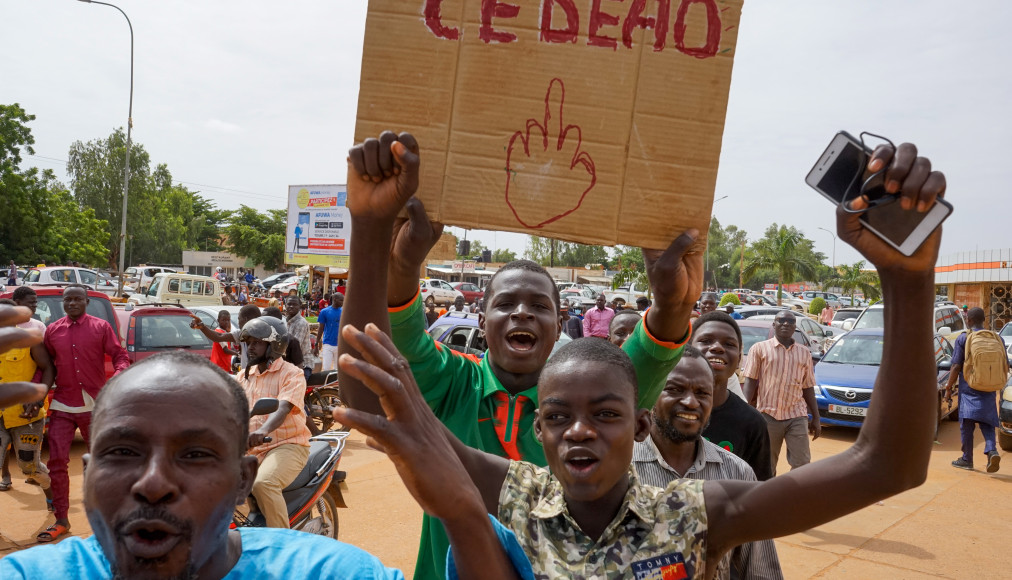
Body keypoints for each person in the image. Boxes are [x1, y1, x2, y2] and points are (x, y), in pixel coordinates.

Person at [337, 137, 950, 577]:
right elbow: (372, 396)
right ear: (539, 431)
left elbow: (888, 467)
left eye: (604, 414)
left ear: (641, 425)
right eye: (557, 417)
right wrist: (369, 229)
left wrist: (907, 280)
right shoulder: (516, 496)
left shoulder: (696, 512)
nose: (579, 430)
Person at [339, 130, 700, 580]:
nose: (522, 314)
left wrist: (674, 303)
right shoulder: (452, 380)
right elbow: (386, 341)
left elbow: (651, 349)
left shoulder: (591, 396)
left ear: (559, 320)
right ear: (481, 318)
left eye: (539, 306)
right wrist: (397, 261)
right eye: (505, 305)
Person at [0, 351, 529, 580]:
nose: (155, 482)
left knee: (274, 485)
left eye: (195, 454)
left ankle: (275, 527)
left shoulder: (332, 575)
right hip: (251, 442)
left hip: (285, 445)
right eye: (122, 452)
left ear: (235, 482)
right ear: (88, 471)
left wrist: (462, 512)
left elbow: (285, 411)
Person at [633, 349, 783, 580]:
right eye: (674, 389)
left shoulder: (737, 473)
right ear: (652, 393)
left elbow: (761, 571)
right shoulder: (619, 469)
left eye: (703, 393)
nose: (691, 402)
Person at [42, 285, 130, 542]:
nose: (72, 303)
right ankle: (61, 519)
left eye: (77, 299)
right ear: (63, 302)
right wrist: (36, 395)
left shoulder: (101, 327)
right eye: (68, 299)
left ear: (86, 301)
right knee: (57, 463)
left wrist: (121, 373)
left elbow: (119, 354)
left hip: (94, 406)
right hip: (62, 405)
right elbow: (46, 367)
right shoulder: (53, 331)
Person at [233, 317, 312, 529]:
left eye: (257, 342)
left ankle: (282, 544)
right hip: (252, 448)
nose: (250, 347)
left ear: (274, 345)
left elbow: (283, 407)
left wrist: (262, 430)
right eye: (249, 342)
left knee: (263, 484)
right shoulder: (244, 376)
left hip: (287, 444)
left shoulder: (292, 374)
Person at [693, 310, 772, 480]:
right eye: (706, 341)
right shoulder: (663, 411)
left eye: (729, 344)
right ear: (687, 349)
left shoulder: (752, 424)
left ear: (738, 360)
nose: (717, 347)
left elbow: (760, 489)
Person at [742, 309, 820, 476]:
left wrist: (816, 418)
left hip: (796, 415)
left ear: (795, 328)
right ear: (774, 324)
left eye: (790, 322)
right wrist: (744, 411)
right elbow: (750, 381)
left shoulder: (804, 352)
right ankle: (768, 497)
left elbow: (808, 387)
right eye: (781, 320)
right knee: (767, 464)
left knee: (802, 462)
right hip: (767, 415)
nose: (786, 324)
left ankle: (794, 497)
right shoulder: (759, 349)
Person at [0, 290, 56, 513]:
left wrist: (38, 399)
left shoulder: (29, 339)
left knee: (29, 467)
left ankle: (52, 496)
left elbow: (48, 368)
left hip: (26, 416)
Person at [945, 307, 1004, 472]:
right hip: (989, 388)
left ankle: (967, 459)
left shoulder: (963, 338)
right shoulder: (996, 338)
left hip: (969, 389)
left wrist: (949, 388)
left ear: (969, 321)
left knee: (967, 424)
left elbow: (956, 366)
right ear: (983, 320)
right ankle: (992, 450)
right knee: (988, 423)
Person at [193, 304, 262, 370]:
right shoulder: (240, 333)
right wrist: (202, 327)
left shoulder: (264, 337)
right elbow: (218, 336)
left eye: (239, 319)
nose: (238, 322)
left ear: (245, 319)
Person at [285, 296, 317, 379]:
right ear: (285, 305)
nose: (291, 306)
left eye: (294, 304)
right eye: (289, 304)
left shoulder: (301, 323)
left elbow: (294, 346)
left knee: (295, 389)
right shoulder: (286, 321)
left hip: (303, 364)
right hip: (290, 363)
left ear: (299, 307)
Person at [314, 292, 343, 371]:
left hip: (340, 345)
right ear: (335, 300)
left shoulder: (344, 311)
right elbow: (321, 328)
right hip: (327, 344)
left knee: (338, 370)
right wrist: (316, 344)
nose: (342, 302)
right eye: (341, 300)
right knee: (326, 369)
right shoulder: (324, 312)